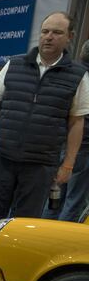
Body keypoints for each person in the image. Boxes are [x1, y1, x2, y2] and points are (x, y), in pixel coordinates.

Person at [0, 11, 89, 245]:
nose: (49, 37)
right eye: (45, 31)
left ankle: (11, 270)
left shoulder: (79, 76)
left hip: (41, 165)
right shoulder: (15, 63)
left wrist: (68, 164)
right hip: (2, 157)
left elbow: (76, 122)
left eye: (57, 32)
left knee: (25, 223)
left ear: (69, 37)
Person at [43, 38, 89, 222]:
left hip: (62, 142)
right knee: (75, 200)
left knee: (54, 197)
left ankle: (42, 237)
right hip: (84, 147)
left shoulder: (71, 73)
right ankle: (58, 244)